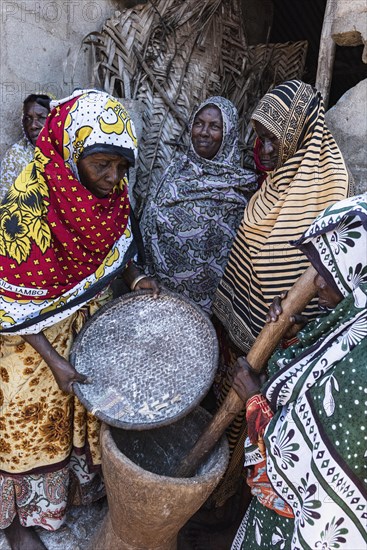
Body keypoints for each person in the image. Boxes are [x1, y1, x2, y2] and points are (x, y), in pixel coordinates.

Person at [0, 89, 159, 550]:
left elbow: (119, 245)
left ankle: (62, 499)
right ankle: (17, 521)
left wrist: (135, 277)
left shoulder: (111, 198)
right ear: (70, 155)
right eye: (102, 165)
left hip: (81, 334)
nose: (113, 178)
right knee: (27, 424)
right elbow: (8, 304)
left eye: (121, 166)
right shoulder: (24, 212)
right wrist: (53, 360)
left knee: (71, 421)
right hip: (29, 347)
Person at [210, 80, 353, 512]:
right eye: (259, 137)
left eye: (272, 137)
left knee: (248, 444)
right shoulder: (271, 187)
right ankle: (207, 492)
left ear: (299, 135)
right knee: (219, 422)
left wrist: (281, 329)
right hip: (235, 344)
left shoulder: (328, 195)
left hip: (273, 358)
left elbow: (330, 285)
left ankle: (223, 506)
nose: (263, 149)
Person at [231, 193, 367, 550]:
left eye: (326, 276)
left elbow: (307, 459)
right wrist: (292, 333)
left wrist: (255, 401)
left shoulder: (362, 373)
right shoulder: (354, 317)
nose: (315, 285)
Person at [140, 96, 257, 314]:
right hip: (155, 297)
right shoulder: (174, 171)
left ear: (228, 133)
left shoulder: (239, 189)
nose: (204, 132)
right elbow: (148, 226)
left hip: (208, 312)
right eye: (199, 123)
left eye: (215, 126)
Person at [0, 94, 51, 201]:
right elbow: (4, 200)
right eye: (28, 119)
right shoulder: (15, 155)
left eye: (41, 118)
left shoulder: (64, 151)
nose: (33, 125)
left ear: (53, 119)